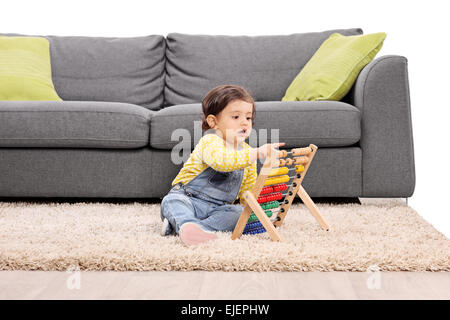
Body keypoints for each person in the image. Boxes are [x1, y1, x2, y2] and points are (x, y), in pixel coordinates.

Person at [160, 84, 285, 246]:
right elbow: (222, 163)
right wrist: (256, 153)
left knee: (240, 214)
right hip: (189, 198)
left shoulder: (247, 153)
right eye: (236, 117)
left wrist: (255, 211)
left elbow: (246, 190)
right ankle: (185, 223)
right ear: (213, 122)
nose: (245, 123)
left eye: (248, 118)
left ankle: (193, 228)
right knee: (172, 202)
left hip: (218, 208)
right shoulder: (210, 142)